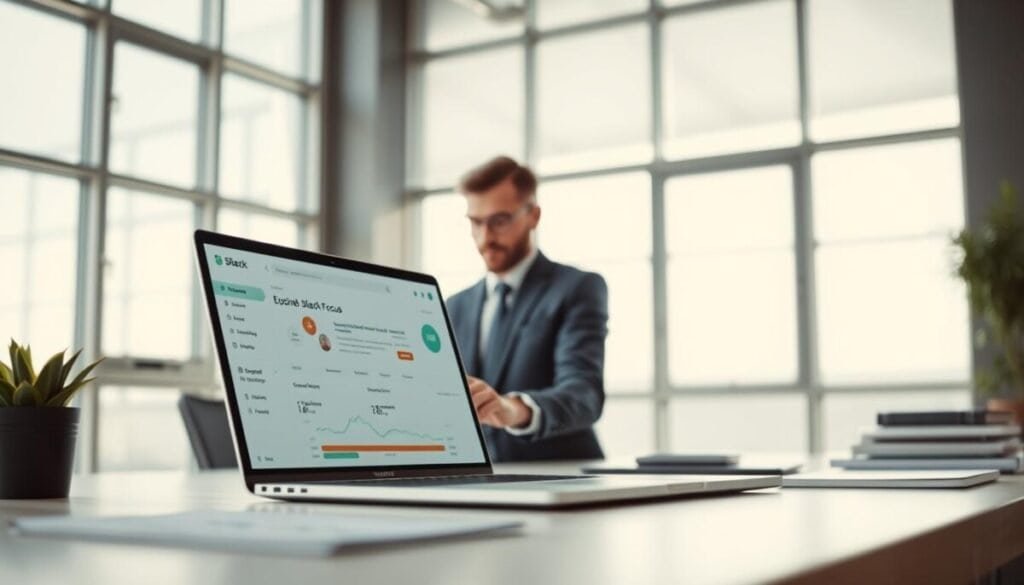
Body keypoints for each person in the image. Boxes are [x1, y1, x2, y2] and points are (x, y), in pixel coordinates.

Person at [445, 156, 608, 462]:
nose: (486, 237)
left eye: (499, 221)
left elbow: (584, 394)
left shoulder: (577, 288)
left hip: (562, 476)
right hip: (482, 482)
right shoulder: (455, 306)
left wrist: (512, 409)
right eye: (476, 222)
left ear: (533, 216)